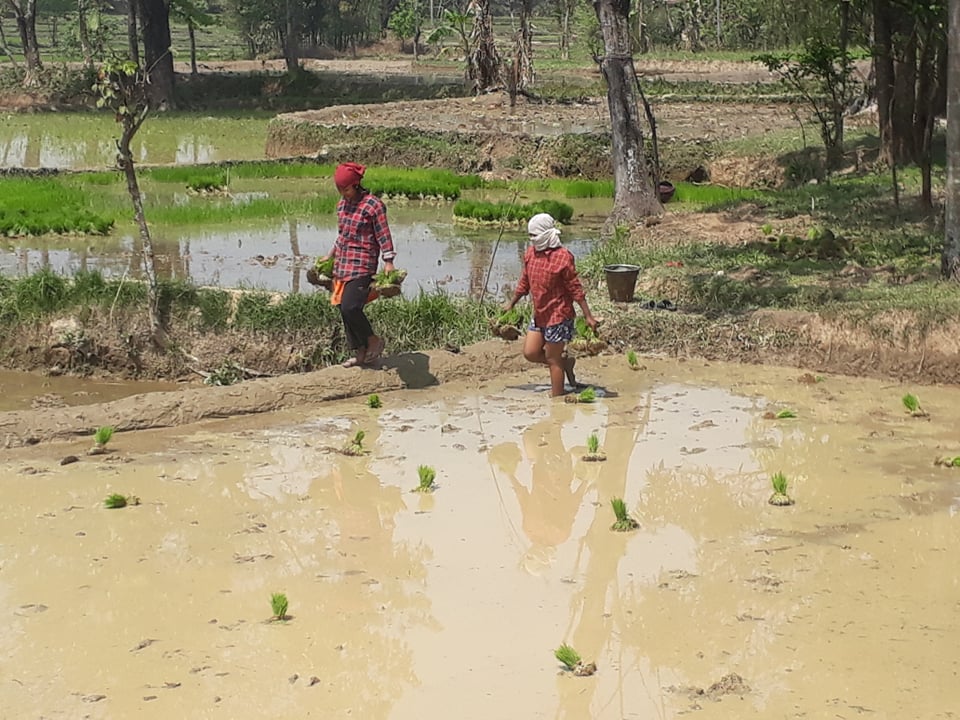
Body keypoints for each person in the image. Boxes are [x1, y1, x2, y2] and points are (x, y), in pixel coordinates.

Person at [502, 212, 598, 397]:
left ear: (546, 234)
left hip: (558, 315)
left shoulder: (563, 257)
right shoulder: (530, 253)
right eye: (530, 236)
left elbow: (575, 288)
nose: (532, 240)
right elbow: (525, 281)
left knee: (553, 359)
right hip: (540, 314)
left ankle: (558, 399)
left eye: (535, 236)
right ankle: (565, 365)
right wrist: (511, 303)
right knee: (530, 352)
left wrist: (588, 315)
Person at [319, 162, 396, 368]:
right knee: (344, 310)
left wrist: (388, 262)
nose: (343, 193)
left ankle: (373, 341)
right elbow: (342, 236)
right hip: (343, 265)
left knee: (351, 306)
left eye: (346, 189)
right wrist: (329, 256)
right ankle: (361, 354)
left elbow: (383, 235)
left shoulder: (373, 206)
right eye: (339, 190)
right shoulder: (342, 205)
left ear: (356, 184)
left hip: (363, 264)